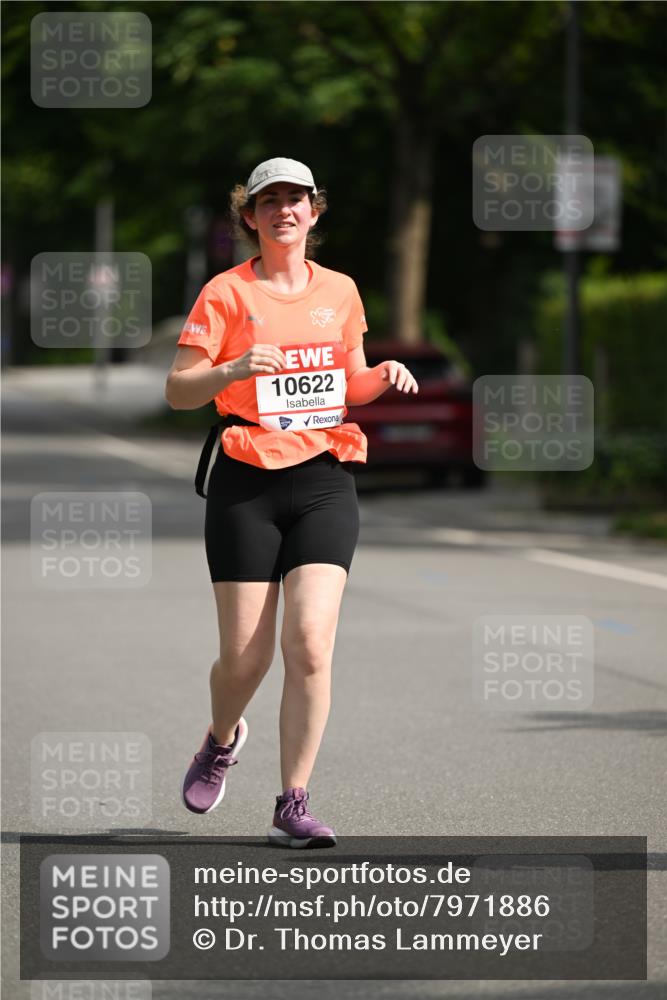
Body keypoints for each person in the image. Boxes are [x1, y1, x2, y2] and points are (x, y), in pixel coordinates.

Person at [165, 157, 418, 848]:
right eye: (268, 199)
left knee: (309, 644)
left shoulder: (338, 290)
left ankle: (293, 804)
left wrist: (380, 375)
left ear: (315, 210)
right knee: (244, 661)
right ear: (248, 216)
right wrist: (233, 368)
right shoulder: (224, 292)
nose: (284, 209)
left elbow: (349, 381)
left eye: (296, 198)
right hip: (246, 479)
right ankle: (220, 740)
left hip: (323, 477)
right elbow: (179, 390)